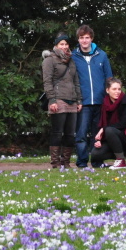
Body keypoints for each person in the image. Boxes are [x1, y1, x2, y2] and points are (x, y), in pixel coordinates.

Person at [71, 25, 114, 168]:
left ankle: (97, 162)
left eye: (87, 37)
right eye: (82, 38)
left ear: (92, 39)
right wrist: (77, 99)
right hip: (83, 102)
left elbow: (109, 78)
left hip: (100, 101)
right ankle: (82, 162)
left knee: (98, 135)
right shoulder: (74, 56)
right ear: (78, 39)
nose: (84, 40)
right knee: (81, 134)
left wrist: (108, 98)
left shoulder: (101, 55)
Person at [42, 32, 82, 168]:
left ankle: (66, 162)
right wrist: (52, 100)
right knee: (57, 132)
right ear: (56, 46)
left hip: (72, 100)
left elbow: (76, 82)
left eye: (66, 44)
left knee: (70, 134)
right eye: (61, 44)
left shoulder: (72, 61)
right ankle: (55, 163)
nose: (64, 46)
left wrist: (79, 101)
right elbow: (47, 82)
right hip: (58, 99)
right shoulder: (49, 60)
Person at [90, 77, 126, 169]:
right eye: (114, 89)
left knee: (109, 130)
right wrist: (100, 140)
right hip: (110, 138)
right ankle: (107, 163)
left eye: (119, 89)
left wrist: (104, 129)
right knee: (95, 154)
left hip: (125, 138)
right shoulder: (104, 104)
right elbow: (102, 123)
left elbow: (124, 123)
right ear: (107, 90)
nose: (117, 91)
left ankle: (121, 161)